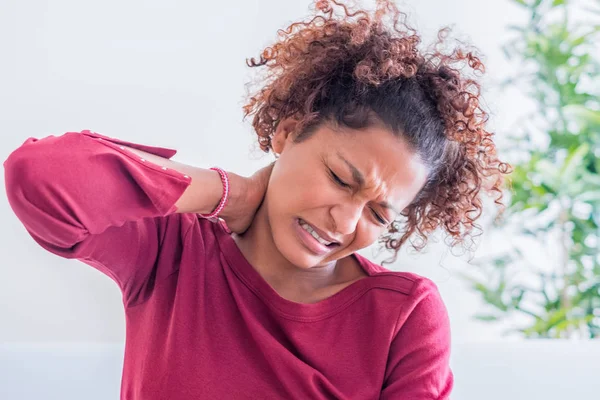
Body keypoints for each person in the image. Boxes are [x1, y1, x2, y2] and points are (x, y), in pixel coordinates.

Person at [3, 0, 511, 398]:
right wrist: (230, 194)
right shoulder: (172, 252)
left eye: (379, 213)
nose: (345, 220)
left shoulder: (402, 316)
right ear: (288, 132)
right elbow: (39, 177)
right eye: (339, 177)